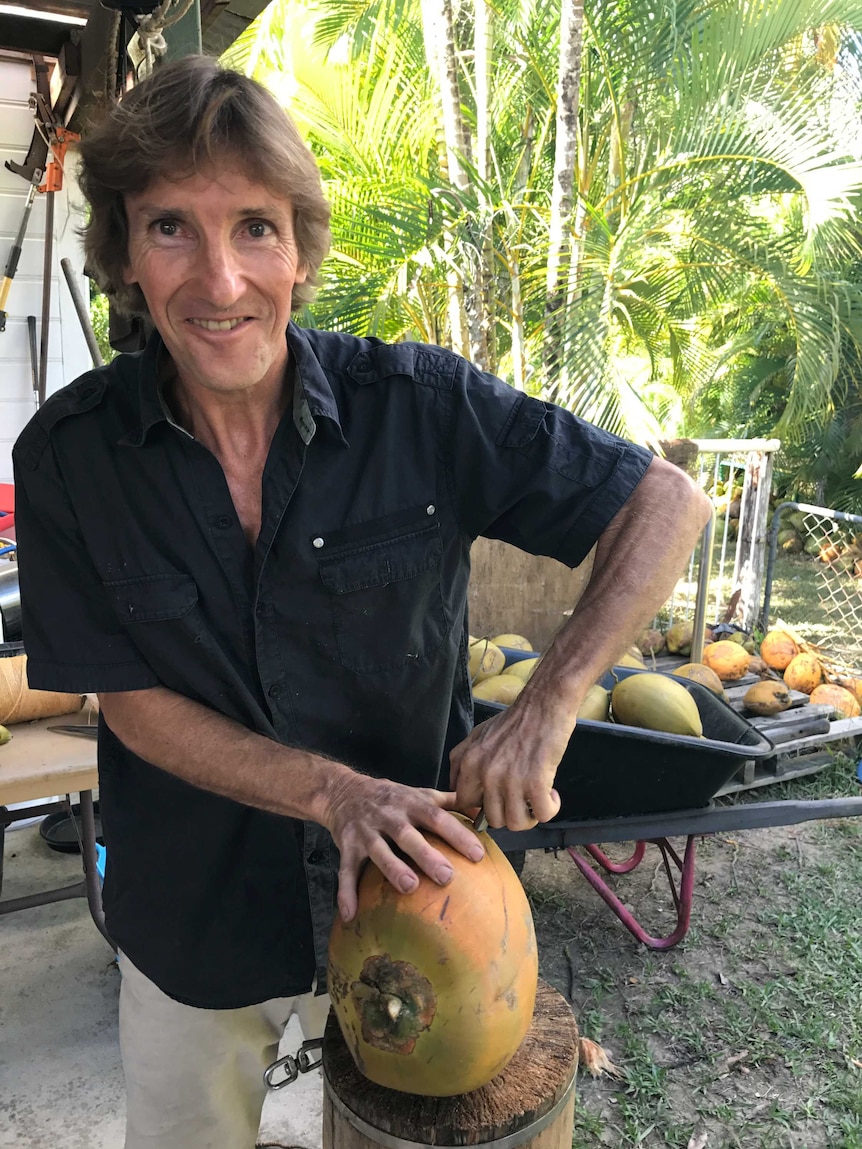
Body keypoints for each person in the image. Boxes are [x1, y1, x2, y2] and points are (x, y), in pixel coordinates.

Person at [13, 56, 711, 1149]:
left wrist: (549, 703)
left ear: (299, 247)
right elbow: (132, 704)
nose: (221, 281)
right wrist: (339, 795)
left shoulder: (419, 410)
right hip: (195, 918)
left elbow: (663, 503)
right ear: (120, 254)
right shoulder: (68, 459)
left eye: (253, 227)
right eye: (169, 229)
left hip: (426, 910)